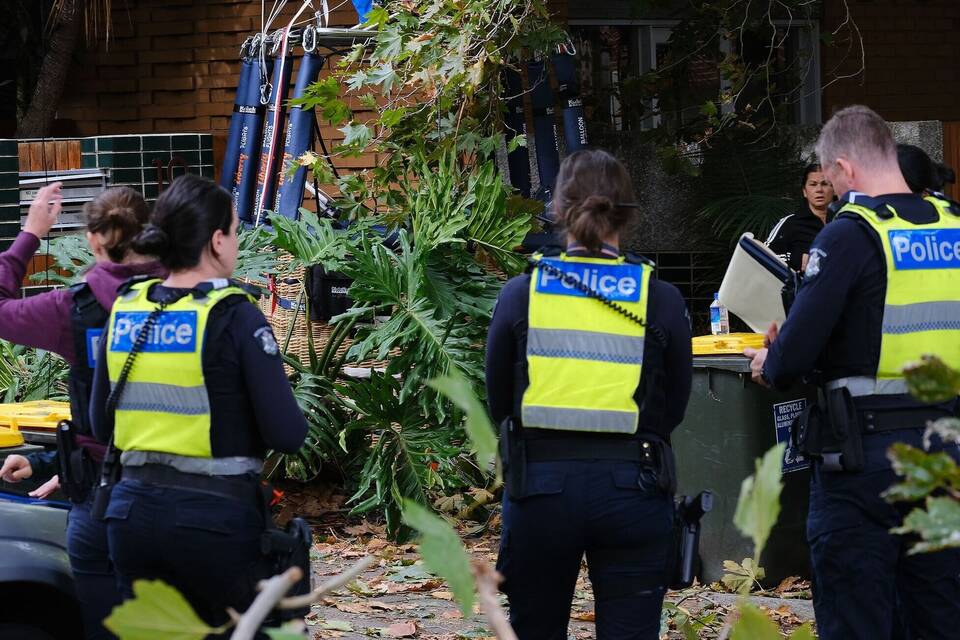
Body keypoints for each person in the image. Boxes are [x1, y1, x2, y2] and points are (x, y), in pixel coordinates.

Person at [744, 105, 960, 639]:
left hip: (864, 463)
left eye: (831, 178)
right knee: (940, 615)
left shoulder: (849, 236)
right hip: (948, 458)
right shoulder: (955, 226)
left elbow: (791, 359)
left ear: (844, 166)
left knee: (857, 618)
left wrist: (771, 358)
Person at [486, 149, 693, 640]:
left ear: (558, 209)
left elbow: (499, 399)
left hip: (539, 489)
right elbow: (676, 403)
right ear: (628, 213)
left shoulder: (523, 293)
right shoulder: (659, 297)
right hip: (634, 486)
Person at [88, 174, 308, 628]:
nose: (237, 243)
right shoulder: (234, 314)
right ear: (216, 240)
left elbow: (100, 423)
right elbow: (288, 434)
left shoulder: (127, 307)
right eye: (235, 231)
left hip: (129, 520)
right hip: (214, 526)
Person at [0, 183, 164, 640]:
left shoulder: (72, 310)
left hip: (103, 500)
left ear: (92, 240)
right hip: (185, 499)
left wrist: (31, 233)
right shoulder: (197, 303)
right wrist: (51, 463)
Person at [765, 163, 835, 272]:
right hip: (802, 287)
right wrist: (798, 260)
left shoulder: (846, 222)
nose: (819, 189)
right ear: (804, 191)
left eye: (825, 184)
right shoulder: (790, 223)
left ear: (834, 189)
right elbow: (766, 257)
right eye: (813, 184)